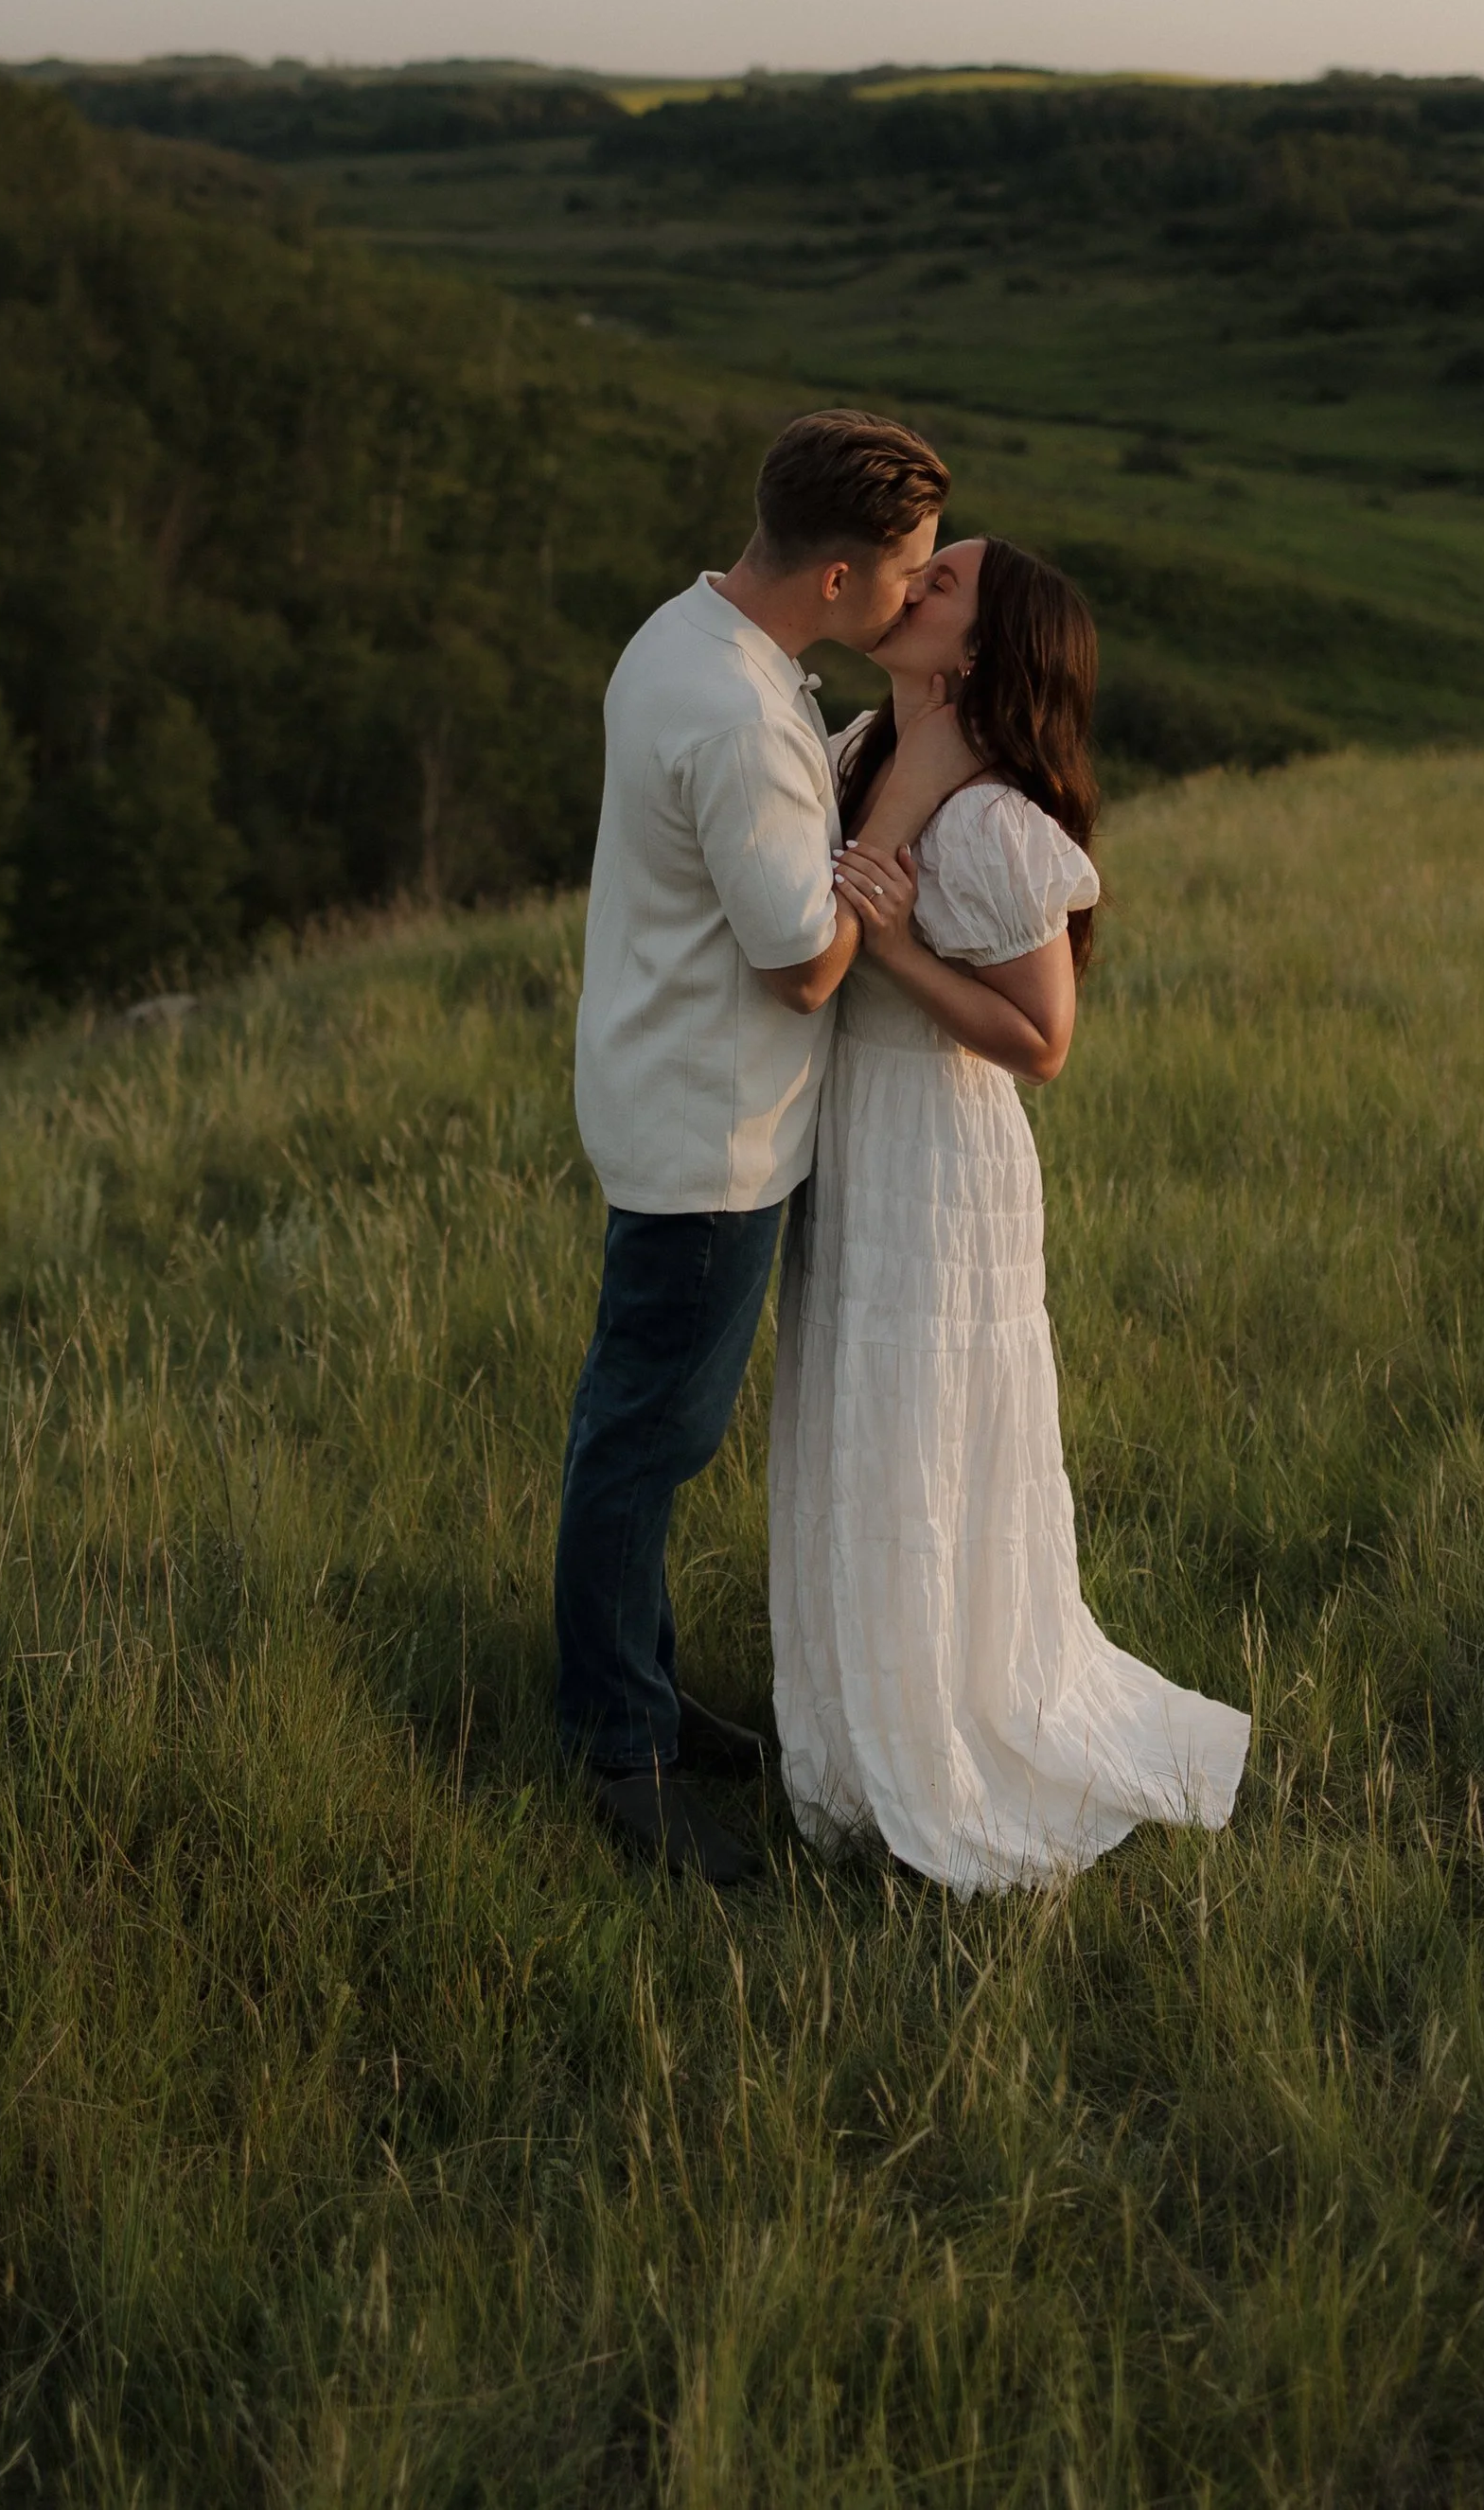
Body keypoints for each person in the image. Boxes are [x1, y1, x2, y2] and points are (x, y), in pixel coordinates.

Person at [770, 535, 1250, 1893]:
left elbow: (1043, 1041)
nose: (911, 586)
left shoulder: (991, 819)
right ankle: (857, 1733)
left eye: (944, 585)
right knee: (856, 1414)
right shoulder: (867, 743)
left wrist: (907, 950)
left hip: (938, 1145)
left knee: (923, 1426)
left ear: (976, 651)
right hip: (855, 1131)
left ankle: (940, 1730)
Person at [557, 408, 976, 1885]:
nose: (924, 593)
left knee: (648, 1421)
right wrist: (880, 864)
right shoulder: (741, 714)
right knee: (648, 1435)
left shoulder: (687, 632)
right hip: (710, 1126)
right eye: (913, 568)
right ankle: (619, 1744)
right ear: (845, 576)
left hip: (672, 1084)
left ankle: (645, 1695)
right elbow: (802, 965)